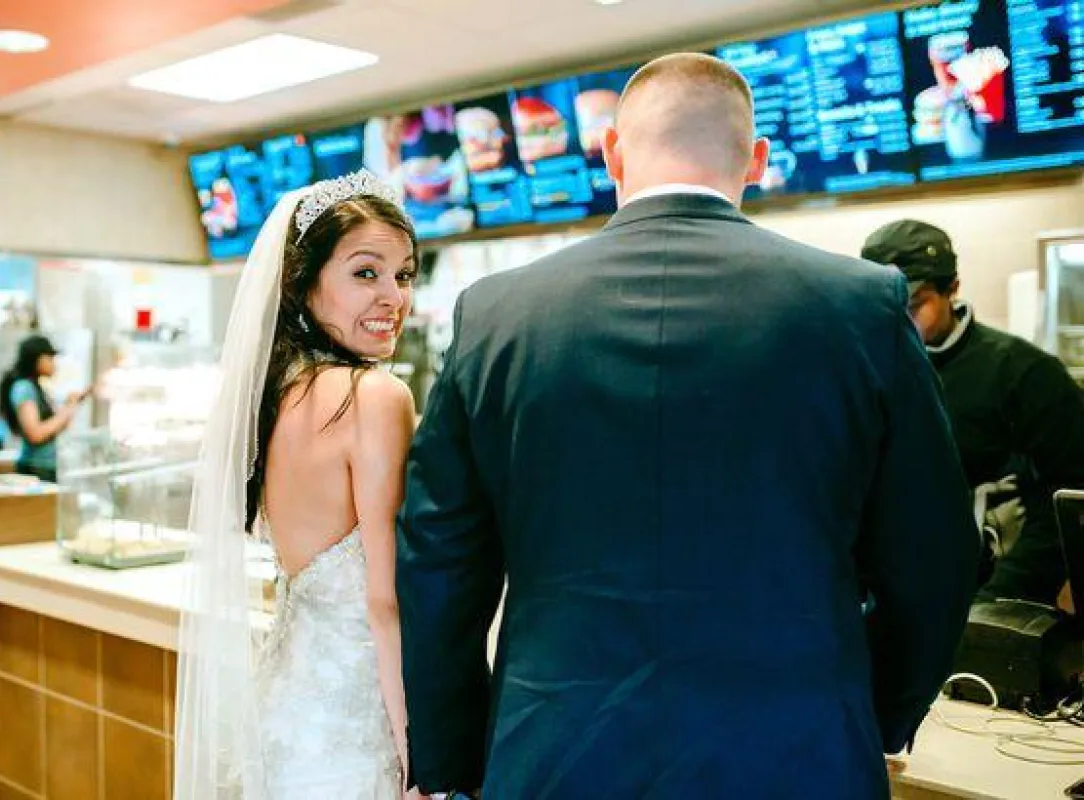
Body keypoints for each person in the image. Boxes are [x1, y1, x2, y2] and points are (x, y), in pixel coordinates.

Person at [397, 53, 980, 799]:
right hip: (797, 749)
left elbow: (439, 561)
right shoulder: (861, 306)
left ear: (610, 152)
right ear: (757, 159)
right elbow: (934, 555)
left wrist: (453, 758)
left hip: (557, 752)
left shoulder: (497, 315)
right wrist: (875, 714)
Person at [173, 170, 423, 799]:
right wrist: (417, 756)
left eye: (403, 275)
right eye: (365, 273)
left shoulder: (273, 402)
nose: (392, 297)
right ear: (304, 283)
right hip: (355, 733)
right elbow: (385, 602)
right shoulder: (375, 398)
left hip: (283, 721)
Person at [862, 220, 1084, 606]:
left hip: (995, 591)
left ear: (952, 288)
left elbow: (1065, 496)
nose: (901, 322)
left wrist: (1000, 597)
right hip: (897, 594)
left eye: (913, 306)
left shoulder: (1023, 373)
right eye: (886, 308)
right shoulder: (868, 371)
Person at [0, 334, 87, 483]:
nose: (54, 364)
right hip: (36, 468)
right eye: (50, 358)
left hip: (45, 466)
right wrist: (68, 408)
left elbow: (53, 429)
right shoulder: (24, 387)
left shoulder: (35, 387)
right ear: (36, 359)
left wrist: (70, 406)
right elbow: (35, 434)